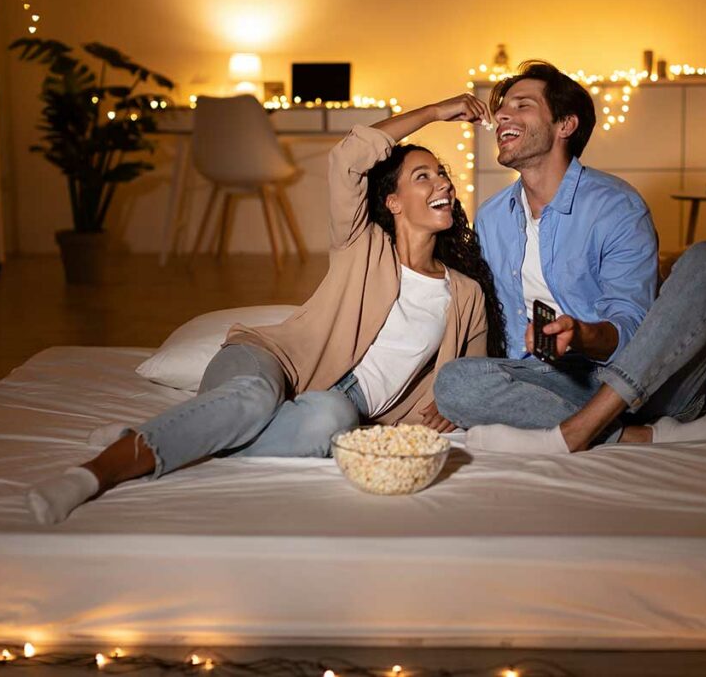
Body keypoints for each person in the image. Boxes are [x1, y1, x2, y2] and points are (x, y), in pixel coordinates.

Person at [26, 94, 506, 525]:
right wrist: (436, 111)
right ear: (393, 202)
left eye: (442, 174)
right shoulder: (362, 244)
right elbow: (348, 158)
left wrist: (448, 400)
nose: (441, 182)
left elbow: (472, 374)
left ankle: (177, 435)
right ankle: (96, 473)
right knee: (253, 399)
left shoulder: (464, 293)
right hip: (270, 364)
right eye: (423, 176)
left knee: (331, 419)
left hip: (337, 407)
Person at [434, 61, 706, 453]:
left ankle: (574, 432)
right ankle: (632, 435)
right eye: (502, 108)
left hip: (645, 382)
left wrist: (580, 334)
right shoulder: (492, 217)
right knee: (453, 382)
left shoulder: (617, 206)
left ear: (565, 125)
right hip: (553, 382)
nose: (502, 116)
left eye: (522, 105)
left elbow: (634, 330)